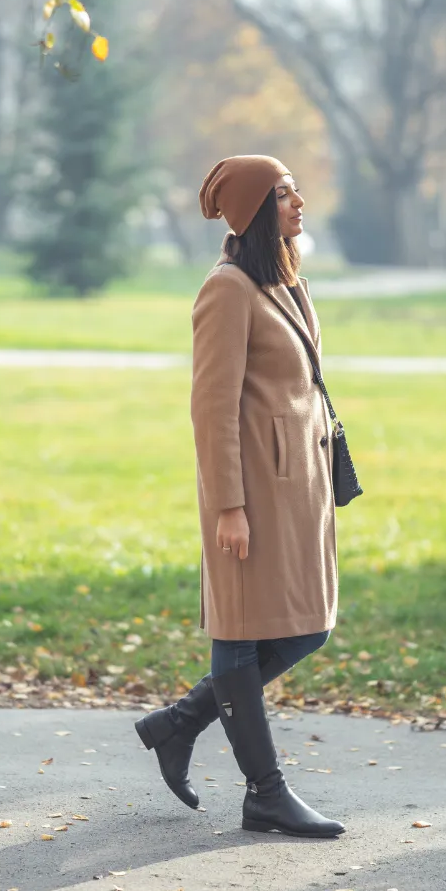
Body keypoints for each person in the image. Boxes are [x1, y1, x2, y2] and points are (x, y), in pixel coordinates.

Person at [135, 155, 344, 839]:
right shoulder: (225, 290)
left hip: (296, 489)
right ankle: (266, 792)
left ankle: (181, 722)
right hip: (251, 490)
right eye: (284, 194)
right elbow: (212, 407)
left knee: (308, 625)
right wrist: (228, 504)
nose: (298, 202)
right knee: (241, 629)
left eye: (294, 191)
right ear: (256, 210)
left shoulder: (281, 282)